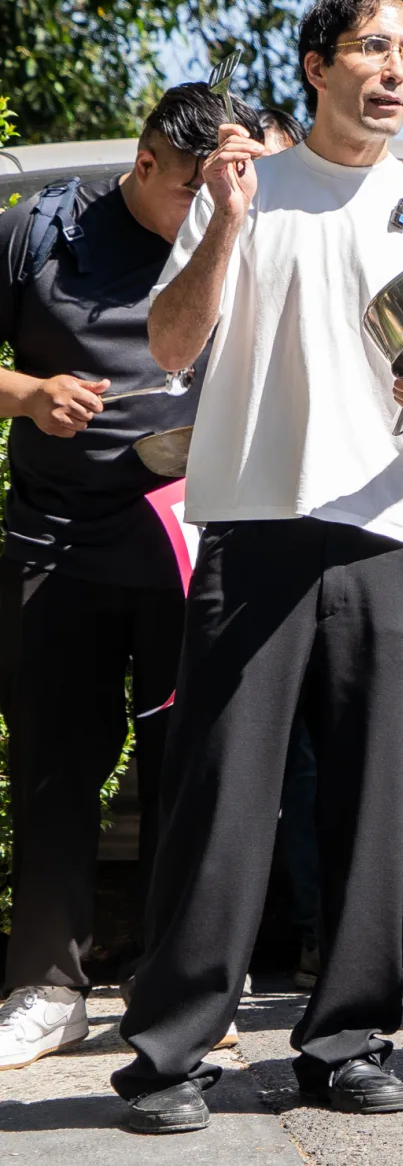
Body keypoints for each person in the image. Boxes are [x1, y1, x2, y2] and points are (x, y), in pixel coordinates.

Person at [114, 0, 403, 1134]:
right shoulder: (246, 192)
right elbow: (172, 343)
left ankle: (346, 1041)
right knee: (221, 804)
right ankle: (171, 1055)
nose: (394, 69)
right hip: (255, 524)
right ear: (316, 64)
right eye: (371, 48)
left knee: (377, 806)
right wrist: (228, 221)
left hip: (390, 533)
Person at [0, 85, 239, 1071]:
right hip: (58, 531)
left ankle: (177, 984)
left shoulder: (239, 235)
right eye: (194, 190)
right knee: (55, 764)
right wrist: (26, 391)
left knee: (191, 766)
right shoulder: (36, 230)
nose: (207, 208)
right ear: (146, 167)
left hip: (193, 537)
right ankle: (47, 989)